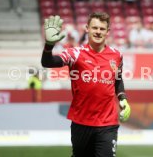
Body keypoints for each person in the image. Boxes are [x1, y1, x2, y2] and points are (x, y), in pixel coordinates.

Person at [41, 12, 131, 157]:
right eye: (95, 28)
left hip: (108, 123)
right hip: (81, 122)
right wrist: (49, 45)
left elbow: (118, 79)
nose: (98, 32)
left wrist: (123, 99)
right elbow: (48, 62)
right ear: (87, 28)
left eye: (102, 29)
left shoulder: (117, 55)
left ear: (107, 32)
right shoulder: (75, 54)